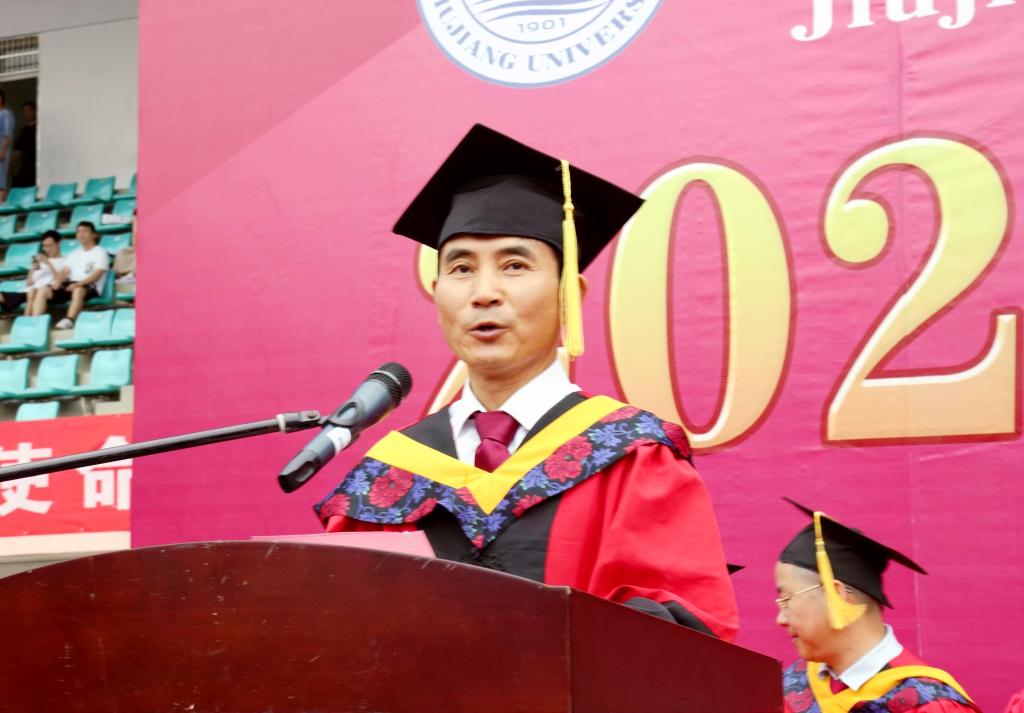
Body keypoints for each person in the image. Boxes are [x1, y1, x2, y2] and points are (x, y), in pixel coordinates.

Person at [313, 124, 739, 640]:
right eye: (461, 269)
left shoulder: (633, 457)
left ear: (569, 293)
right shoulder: (387, 476)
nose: (484, 292)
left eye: (514, 265)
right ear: (438, 291)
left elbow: (683, 638)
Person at [775, 499, 980, 712]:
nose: (780, 619)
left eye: (787, 599)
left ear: (836, 595)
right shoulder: (791, 687)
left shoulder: (928, 704)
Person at [30, 221, 109, 328]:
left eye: (85, 231)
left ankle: (69, 320)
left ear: (94, 235)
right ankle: (36, 323)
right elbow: (64, 271)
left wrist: (79, 284)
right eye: (79, 232)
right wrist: (58, 281)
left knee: (78, 289)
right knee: (43, 290)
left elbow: (97, 275)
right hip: (70, 285)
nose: (81, 234)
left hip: (90, 286)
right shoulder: (74, 254)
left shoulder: (100, 252)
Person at [10, 101, 37, 188]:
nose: (26, 114)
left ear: (35, 111)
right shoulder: (24, 131)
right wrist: (11, 166)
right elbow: (18, 151)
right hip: (25, 167)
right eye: (24, 111)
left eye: (28, 111)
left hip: (36, 168)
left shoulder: (40, 129)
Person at [0, 89, 15, 202]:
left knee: (1, 184)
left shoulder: (6, 113)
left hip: (0, 153)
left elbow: (7, 134)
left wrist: (3, 151)